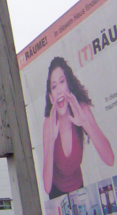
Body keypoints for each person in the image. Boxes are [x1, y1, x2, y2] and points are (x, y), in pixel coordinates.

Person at [43, 57, 114, 199]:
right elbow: (46, 186)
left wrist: (85, 123)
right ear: (51, 97)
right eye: (54, 86)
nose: (59, 91)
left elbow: (110, 160)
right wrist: (51, 141)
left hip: (80, 189)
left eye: (62, 82)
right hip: (57, 195)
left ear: (68, 85)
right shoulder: (49, 123)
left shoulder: (81, 109)